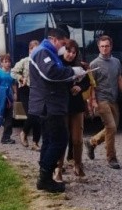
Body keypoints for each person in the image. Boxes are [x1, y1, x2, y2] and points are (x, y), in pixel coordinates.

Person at [29, 28, 85, 193]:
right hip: (49, 104)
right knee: (60, 140)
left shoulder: (49, 52)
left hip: (51, 104)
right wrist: (73, 71)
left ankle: (44, 177)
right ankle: (45, 177)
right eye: (63, 43)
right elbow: (51, 73)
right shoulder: (43, 52)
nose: (63, 47)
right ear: (53, 39)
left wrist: (73, 76)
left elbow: (57, 76)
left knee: (49, 140)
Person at [85, 35, 122, 170]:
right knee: (111, 127)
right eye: (102, 46)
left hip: (114, 98)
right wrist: (93, 101)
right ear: (98, 47)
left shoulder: (116, 62)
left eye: (106, 46)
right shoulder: (94, 64)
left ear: (111, 46)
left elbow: (119, 78)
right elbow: (91, 85)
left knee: (113, 127)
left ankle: (92, 142)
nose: (104, 48)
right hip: (101, 99)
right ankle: (111, 158)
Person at [58, 39, 91, 182]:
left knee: (77, 139)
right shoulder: (57, 63)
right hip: (61, 105)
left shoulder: (79, 65)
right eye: (68, 51)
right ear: (63, 50)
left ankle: (78, 165)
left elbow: (87, 81)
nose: (71, 55)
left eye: (73, 52)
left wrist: (80, 87)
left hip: (76, 105)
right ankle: (58, 168)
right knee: (62, 138)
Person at [11, 40, 41, 150]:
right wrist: (21, 78)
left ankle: (35, 142)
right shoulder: (24, 61)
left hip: (37, 90)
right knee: (31, 114)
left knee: (38, 116)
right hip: (25, 89)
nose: (37, 52)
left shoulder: (40, 61)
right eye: (34, 49)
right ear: (30, 50)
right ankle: (24, 132)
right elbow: (13, 72)